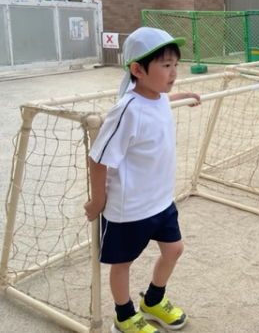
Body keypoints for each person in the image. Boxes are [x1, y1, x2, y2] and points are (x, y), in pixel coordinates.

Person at [85, 27, 201, 333]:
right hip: (129, 208)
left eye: (176, 64)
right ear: (137, 69)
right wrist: (98, 201)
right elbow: (97, 158)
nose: (174, 72)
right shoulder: (126, 110)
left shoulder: (159, 96)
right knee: (122, 263)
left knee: (174, 250)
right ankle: (124, 317)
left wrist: (183, 95)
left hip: (161, 201)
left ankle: (152, 301)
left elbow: (159, 102)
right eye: (165, 65)